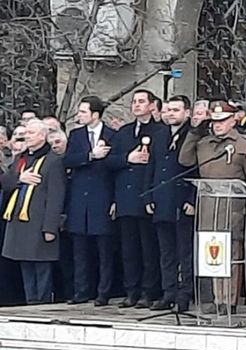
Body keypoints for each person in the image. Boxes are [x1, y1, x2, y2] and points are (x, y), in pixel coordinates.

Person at [179, 100, 246, 315]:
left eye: (222, 121)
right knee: (212, 254)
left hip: (233, 207)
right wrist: (195, 131)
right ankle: (217, 298)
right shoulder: (204, 143)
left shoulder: (245, 144)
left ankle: (230, 299)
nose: (217, 125)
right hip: (208, 206)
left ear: (233, 120)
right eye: (214, 122)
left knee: (232, 255)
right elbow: (185, 160)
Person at [106, 89, 165, 309]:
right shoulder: (124, 132)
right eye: (134, 102)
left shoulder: (160, 131)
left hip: (146, 197)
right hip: (125, 198)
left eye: (142, 101)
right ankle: (130, 290)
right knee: (128, 249)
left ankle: (148, 291)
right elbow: (109, 162)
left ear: (152, 105)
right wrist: (127, 158)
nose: (137, 105)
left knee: (148, 249)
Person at [1, 119, 66, 304]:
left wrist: (50, 228)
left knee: (41, 267)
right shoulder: (22, 158)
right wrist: (20, 178)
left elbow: (56, 196)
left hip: (40, 222)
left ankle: (42, 304)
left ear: (42, 136)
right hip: (20, 221)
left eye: (30, 133)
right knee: (25, 266)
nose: (26, 136)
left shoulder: (53, 161)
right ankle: (30, 302)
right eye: (25, 133)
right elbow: (5, 182)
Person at [64, 96, 116, 306]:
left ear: (95, 114)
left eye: (83, 112)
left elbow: (115, 167)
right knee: (80, 249)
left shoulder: (112, 135)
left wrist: (114, 200)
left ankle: (104, 291)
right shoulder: (76, 135)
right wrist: (90, 155)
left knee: (104, 250)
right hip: (79, 199)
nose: (79, 116)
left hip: (102, 197)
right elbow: (68, 160)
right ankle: (81, 290)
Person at [144, 95, 194, 313]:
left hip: (182, 200)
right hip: (162, 199)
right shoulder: (159, 134)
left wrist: (192, 199)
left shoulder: (193, 135)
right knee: (166, 252)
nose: (170, 113)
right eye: (167, 110)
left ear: (187, 113)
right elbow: (151, 167)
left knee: (185, 252)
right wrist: (149, 196)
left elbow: (198, 169)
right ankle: (169, 292)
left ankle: (184, 294)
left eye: (175, 110)